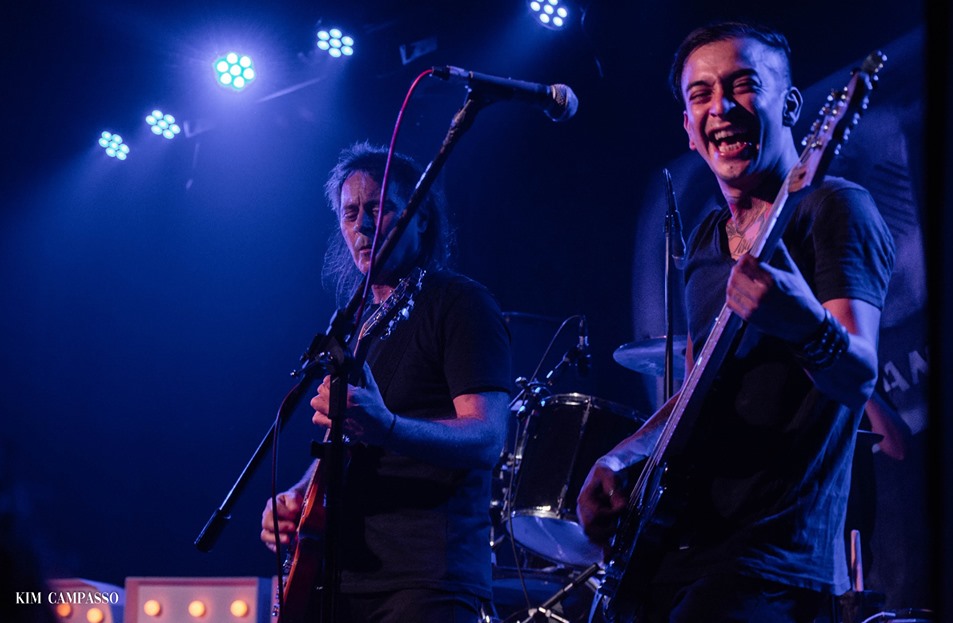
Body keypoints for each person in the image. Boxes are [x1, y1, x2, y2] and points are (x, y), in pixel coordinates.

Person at [577, 22, 896, 622]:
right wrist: (619, 457)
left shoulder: (835, 207)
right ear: (688, 128)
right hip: (678, 549)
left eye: (743, 85)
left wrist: (803, 323)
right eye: (701, 94)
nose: (721, 107)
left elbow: (858, 377)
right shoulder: (705, 238)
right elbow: (696, 386)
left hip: (771, 564)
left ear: (791, 106)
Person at [261, 142, 512, 623]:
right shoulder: (358, 324)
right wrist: (297, 495)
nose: (362, 225)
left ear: (421, 217)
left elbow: (487, 437)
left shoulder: (460, 304)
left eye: (379, 208)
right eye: (350, 213)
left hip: (426, 581)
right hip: (340, 579)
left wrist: (388, 428)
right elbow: (352, 442)